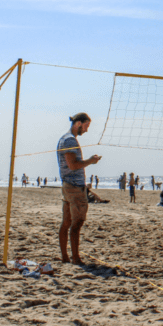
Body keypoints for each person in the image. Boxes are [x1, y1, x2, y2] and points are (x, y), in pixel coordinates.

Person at [58, 112, 102, 265]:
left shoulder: (66, 139)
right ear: (78, 124)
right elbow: (72, 165)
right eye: (86, 126)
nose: (86, 130)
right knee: (77, 222)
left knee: (67, 222)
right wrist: (90, 161)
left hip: (68, 186)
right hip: (74, 187)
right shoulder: (69, 140)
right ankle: (75, 258)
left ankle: (65, 257)